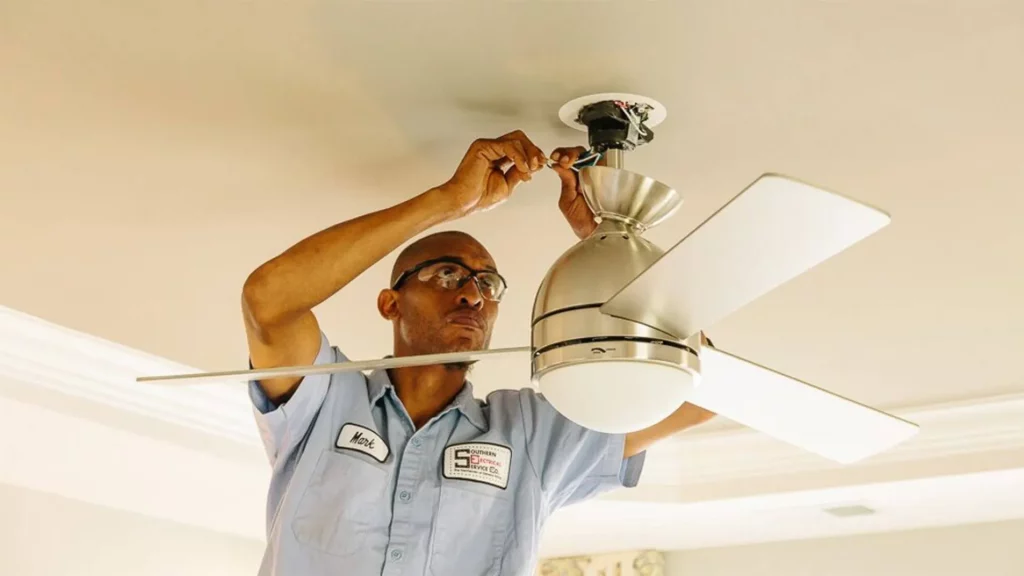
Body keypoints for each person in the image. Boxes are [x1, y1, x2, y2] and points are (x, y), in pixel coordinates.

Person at [241, 130, 717, 576]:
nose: (473, 296)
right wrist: (450, 201)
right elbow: (268, 299)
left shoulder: (528, 436)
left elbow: (698, 385)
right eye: (447, 275)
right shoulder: (324, 402)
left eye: (487, 285)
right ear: (391, 304)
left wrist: (608, 249)